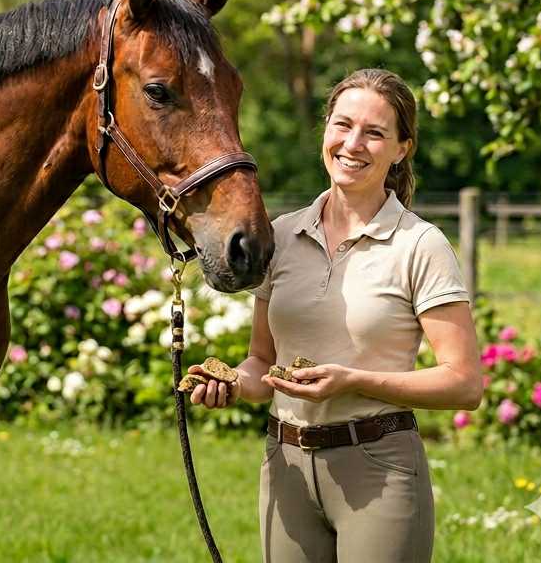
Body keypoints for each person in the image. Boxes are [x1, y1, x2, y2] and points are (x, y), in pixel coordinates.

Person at [186, 68, 482, 563]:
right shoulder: (281, 236)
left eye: (375, 132)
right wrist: (233, 384)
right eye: (342, 125)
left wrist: (352, 381)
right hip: (286, 467)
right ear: (325, 130)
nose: (353, 143)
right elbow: (262, 362)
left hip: (379, 467)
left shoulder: (420, 246)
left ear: (401, 149)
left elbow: (465, 383)